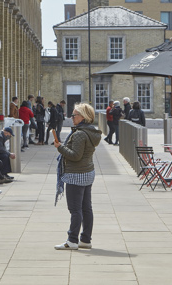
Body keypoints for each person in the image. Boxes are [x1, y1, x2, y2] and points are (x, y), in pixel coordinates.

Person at [53, 103, 102, 250]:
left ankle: (72, 240)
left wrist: (60, 147)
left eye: (74, 115)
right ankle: (85, 240)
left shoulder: (80, 134)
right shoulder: (90, 131)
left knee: (75, 209)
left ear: (83, 117)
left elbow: (75, 156)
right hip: (87, 172)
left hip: (77, 174)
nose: (71, 117)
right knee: (86, 208)